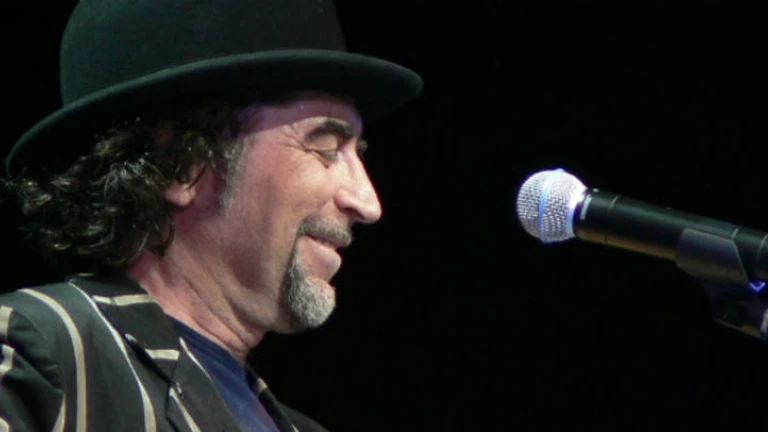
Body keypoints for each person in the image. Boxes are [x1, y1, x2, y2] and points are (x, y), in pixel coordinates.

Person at [0, 1, 422, 431]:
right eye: (326, 148)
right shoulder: (39, 355)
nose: (368, 203)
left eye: (358, 153)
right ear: (184, 163)